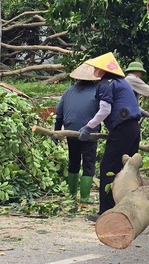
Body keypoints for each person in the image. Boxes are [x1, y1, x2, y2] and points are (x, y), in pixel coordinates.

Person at [77, 52, 142, 219]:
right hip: (134, 128)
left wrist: (88, 126)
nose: (94, 71)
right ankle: (131, 209)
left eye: (97, 68)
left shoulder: (106, 84)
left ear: (104, 70)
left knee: (108, 169)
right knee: (128, 169)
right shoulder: (123, 83)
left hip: (122, 130)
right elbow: (134, 106)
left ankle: (106, 212)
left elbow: (105, 110)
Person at [54, 62, 100, 203]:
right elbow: (104, 112)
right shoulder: (97, 91)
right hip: (89, 133)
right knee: (88, 162)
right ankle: (85, 197)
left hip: (70, 131)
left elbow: (59, 114)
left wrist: (56, 132)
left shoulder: (68, 92)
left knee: (73, 161)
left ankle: (72, 194)